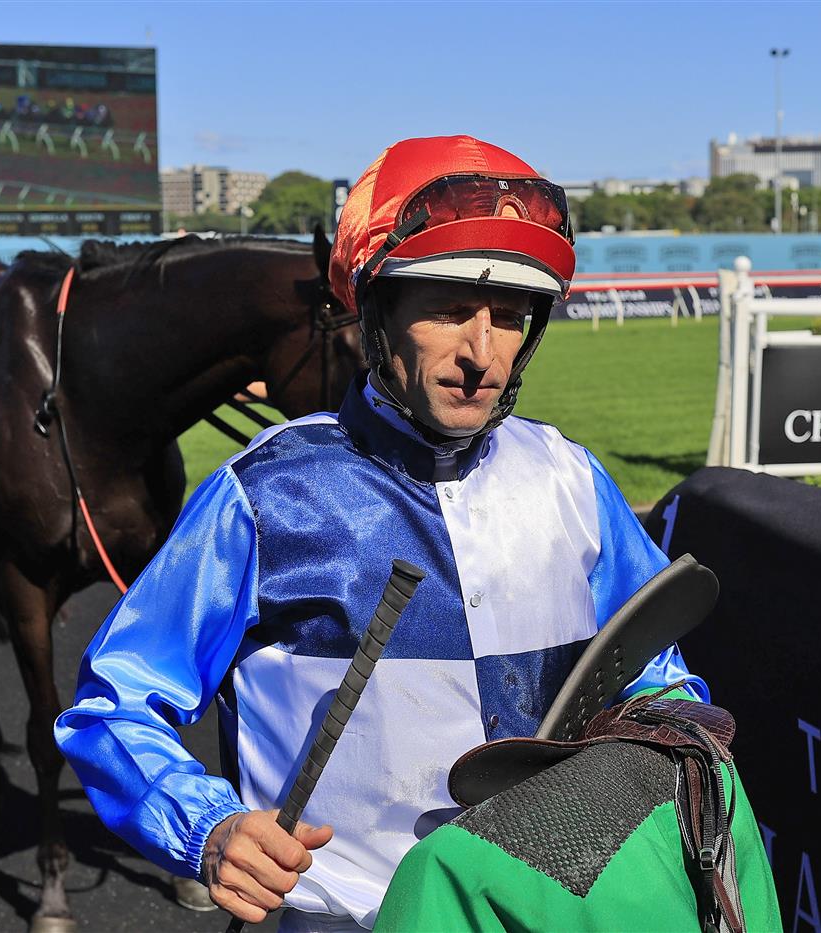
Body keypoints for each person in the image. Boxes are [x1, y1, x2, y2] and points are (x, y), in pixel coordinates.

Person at [54, 135, 708, 932]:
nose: (481, 351)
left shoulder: (573, 480)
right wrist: (210, 828)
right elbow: (115, 702)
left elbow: (655, 676)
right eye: (446, 306)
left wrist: (670, 725)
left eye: (508, 316)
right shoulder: (265, 493)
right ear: (375, 313)